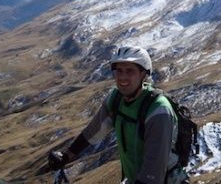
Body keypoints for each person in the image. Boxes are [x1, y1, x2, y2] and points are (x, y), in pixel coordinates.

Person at [47, 46, 182, 184]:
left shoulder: (159, 111)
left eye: (130, 71)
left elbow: (154, 170)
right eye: (119, 71)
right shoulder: (116, 98)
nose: (122, 77)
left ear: (143, 74)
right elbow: (94, 131)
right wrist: (67, 155)